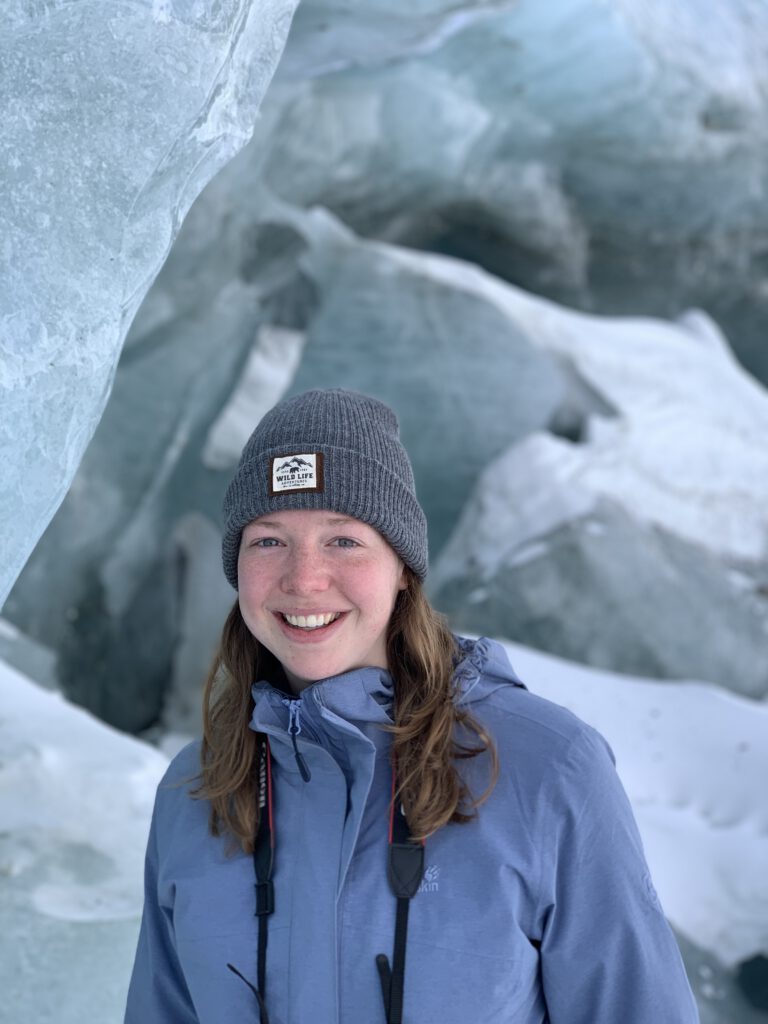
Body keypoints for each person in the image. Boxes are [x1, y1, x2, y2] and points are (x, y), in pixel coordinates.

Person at [125, 388, 699, 1024]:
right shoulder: (194, 790)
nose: (304, 578)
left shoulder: (547, 769)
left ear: (403, 567)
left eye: (343, 540)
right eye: (268, 541)